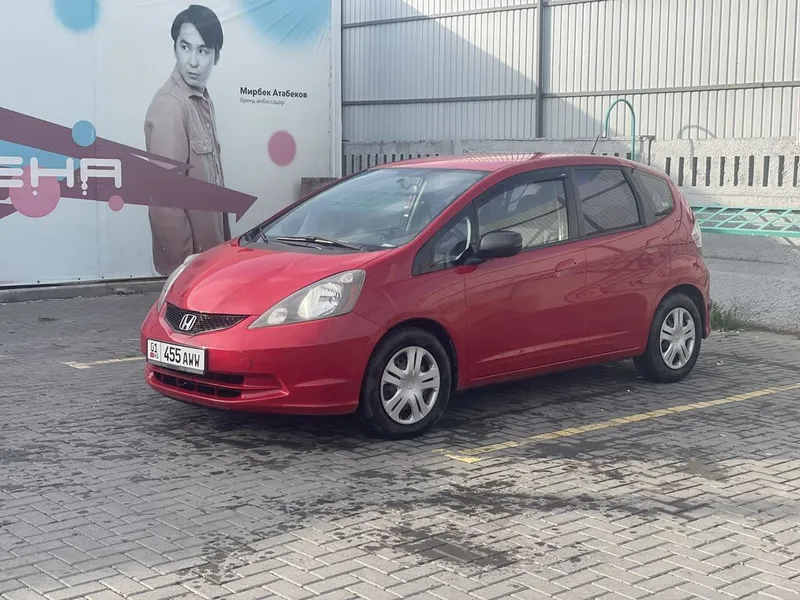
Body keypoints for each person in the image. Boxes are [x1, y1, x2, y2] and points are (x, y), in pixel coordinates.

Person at [144, 4, 230, 276]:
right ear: (175, 49)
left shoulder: (201, 100)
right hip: (191, 268)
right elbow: (164, 200)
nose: (192, 61)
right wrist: (186, 269)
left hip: (209, 259)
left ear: (216, 56)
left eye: (202, 50)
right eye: (185, 47)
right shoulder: (170, 105)